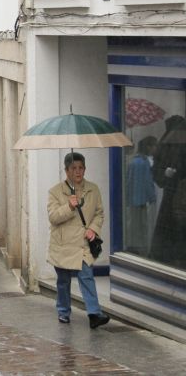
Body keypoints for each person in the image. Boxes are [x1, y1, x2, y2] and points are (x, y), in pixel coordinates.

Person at [47, 152, 110, 328]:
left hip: (82, 244)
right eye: (73, 168)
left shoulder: (93, 189)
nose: (78, 171)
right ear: (66, 171)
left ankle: (94, 314)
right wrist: (68, 206)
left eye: (81, 167)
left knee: (87, 276)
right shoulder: (55, 192)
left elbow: (99, 213)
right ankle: (63, 311)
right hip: (63, 244)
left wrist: (93, 229)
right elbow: (53, 217)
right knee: (64, 281)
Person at [150, 115, 186, 268]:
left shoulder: (167, 143)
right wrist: (167, 173)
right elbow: (158, 170)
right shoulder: (169, 144)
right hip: (174, 193)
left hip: (173, 193)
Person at [125, 136, 157, 255]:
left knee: (133, 226)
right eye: (154, 146)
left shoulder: (133, 162)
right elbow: (148, 182)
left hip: (132, 201)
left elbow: (128, 182)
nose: (155, 149)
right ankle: (141, 249)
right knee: (143, 226)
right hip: (142, 200)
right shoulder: (144, 163)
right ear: (148, 147)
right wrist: (152, 197)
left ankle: (133, 247)